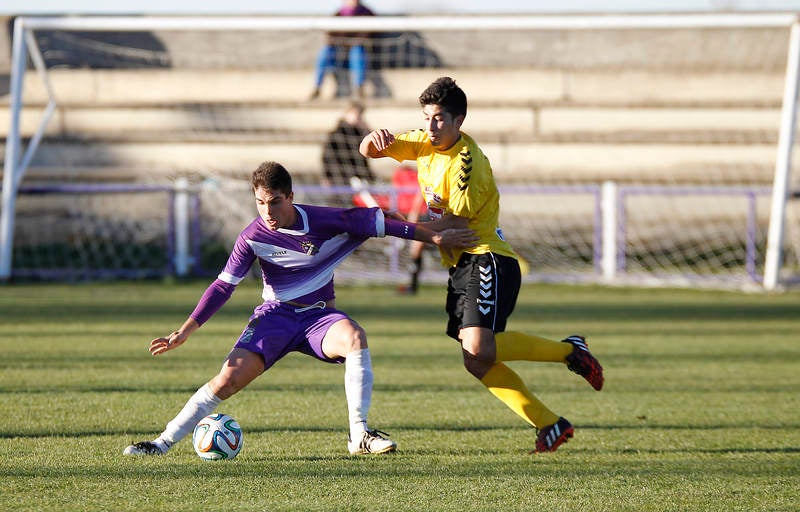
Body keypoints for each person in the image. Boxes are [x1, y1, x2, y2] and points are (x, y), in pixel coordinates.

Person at [123, 161, 476, 457]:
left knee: (355, 337)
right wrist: (184, 331)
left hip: (319, 317)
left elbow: (382, 221)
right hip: (274, 318)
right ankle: (161, 443)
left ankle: (359, 435)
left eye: (275, 202)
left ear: (291, 196)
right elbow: (223, 286)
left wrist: (433, 236)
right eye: (260, 203)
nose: (267, 212)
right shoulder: (251, 237)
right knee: (227, 379)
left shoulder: (324, 221)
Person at [359, 77, 605, 453]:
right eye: (426, 117)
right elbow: (371, 151)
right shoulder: (425, 141)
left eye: (440, 119)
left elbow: (452, 227)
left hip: (487, 257)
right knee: (476, 361)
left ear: (459, 121)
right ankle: (550, 424)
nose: (431, 126)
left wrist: (398, 227)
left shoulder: (467, 165)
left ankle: (569, 351)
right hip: (461, 264)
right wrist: (371, 140)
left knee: (479, 348)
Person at [310, 0, 375, 100]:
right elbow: (331, 35)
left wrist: (349, 42)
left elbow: (367, 36)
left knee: (357, 51)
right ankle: (317, 87)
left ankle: (359, 89)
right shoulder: (338, 14)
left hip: (358, 53)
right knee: (326, 51)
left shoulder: (367, 13)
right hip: (340, 53)